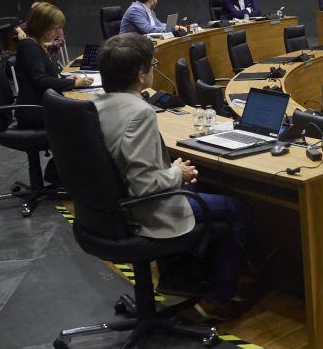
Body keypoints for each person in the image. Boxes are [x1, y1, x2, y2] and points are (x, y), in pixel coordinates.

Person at [92, 33, 253, 321]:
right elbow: (145, 186)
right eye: (151, 64)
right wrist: (177, 172)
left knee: (200, 186)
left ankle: (178, 277)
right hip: (146, 211)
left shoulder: (97, 103)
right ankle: (219, 300)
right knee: (238, 210)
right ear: (141, 75)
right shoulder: (139, 112)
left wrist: (173, 171)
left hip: (106, 211)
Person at [14, 2, 93, 129]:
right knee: (88, 117)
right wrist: (74, 84)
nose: (59, 33)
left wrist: (65, 80)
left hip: (43, 106)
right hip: (36, 112)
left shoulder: (37, 45)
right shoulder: (30, 47)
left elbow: (46, 76)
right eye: (55, 28)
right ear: (42, 26)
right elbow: (41, 81)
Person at [120, 0, 186, 36]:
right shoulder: (135, 10)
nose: (157, 1)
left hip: (141, 41)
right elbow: (147, 29)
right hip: (128, 45)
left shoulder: (150, 11)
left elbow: (159, 25)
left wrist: (176, 27)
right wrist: (169, 29)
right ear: (151, 1)